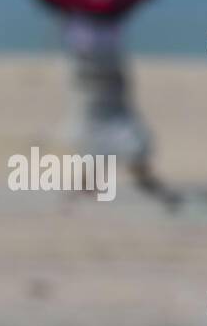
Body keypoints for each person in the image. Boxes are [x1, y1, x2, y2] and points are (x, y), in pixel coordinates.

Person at [60, 11, 178, 207]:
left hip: (88, 61)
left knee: (98, 125)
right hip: (99, 63)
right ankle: (134, 175)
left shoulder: (77, 6)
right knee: (108, 124)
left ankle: (94, 182)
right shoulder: (108, 3)